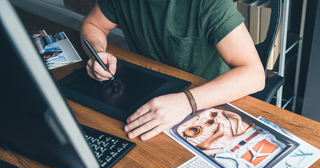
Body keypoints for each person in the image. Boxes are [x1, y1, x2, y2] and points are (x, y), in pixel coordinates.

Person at [80, 0, 265, 141]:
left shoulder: (209, 3)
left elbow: (254, 74)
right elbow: (93, 25)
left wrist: (186, 102)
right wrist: (97, 51)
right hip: (148, 93)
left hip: (208, 101)